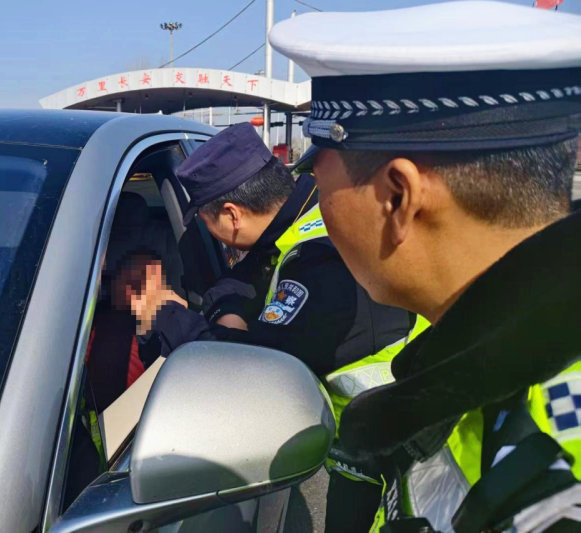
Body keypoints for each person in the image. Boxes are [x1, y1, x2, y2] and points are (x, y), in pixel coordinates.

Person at [270, 2, 581, 531]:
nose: (317, 210)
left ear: (398, 198)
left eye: (319, 184)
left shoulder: (550, 491)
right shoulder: (488, 366)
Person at [120, 123, 418, 531]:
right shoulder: (307, 214)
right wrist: (229, 312)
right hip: (366, 451)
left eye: (205, 224)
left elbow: (246, 372)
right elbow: (242, 278)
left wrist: (163, 311)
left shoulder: (323, 270)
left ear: (232, 215)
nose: (209, 234)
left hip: (396, 476)